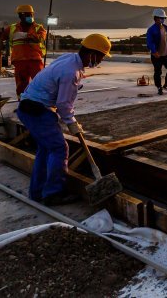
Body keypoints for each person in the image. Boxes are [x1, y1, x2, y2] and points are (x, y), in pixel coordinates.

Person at [17, 33, 112, 205]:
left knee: (46, 149)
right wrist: (72, 122)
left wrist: (69, 119)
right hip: (36, 110)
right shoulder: (71, 72)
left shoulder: (70, 59)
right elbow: (63, 104)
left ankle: (37, 193)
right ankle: (53, 193)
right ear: (92, 54)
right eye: (101, 57)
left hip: (29, 107)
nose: (100, 62)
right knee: (59, 148)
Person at [0, 4, 47, 98]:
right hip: (19, 61)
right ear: (21, 16)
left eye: (31, 15)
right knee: (21, 86)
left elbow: (40, 38)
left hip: (35, 61)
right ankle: (22, 105)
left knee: (41, 84)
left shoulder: (38, 28)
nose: (30, 17)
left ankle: (43, 104)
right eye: (28, 15)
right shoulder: (12, 28)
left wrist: (25, 35)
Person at [146, 8, 167, 95]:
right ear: (156, 18)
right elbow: (149, 42)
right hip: (157, 55)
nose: (163, 19)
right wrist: (154, 51)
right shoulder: (151, 29)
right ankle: (159, 87)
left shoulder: (166, 28)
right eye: (161, 18)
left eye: (164, 18)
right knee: (158, 72)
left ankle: (166, 84)